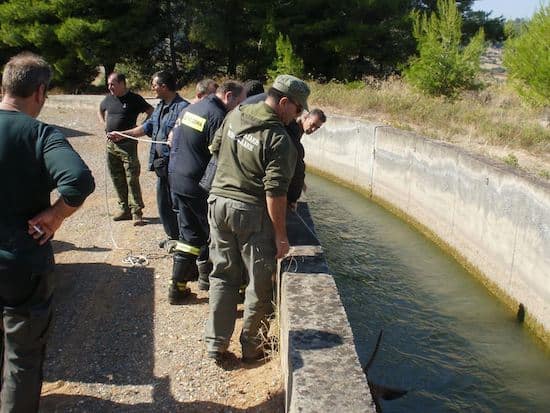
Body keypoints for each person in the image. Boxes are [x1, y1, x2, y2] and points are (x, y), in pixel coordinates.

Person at [0, 52, 95, 412]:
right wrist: (55, 216)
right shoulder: (40, 134)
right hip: (22, 263)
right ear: (40, 92)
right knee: (22, 357)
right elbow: (78, 180)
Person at [204, 74, 309, 362]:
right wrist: (281, 235)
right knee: (259, 284)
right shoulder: (279, 139)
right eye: (298, 109)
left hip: (218, 204)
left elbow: (214, 149)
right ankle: (252, 347)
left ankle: (216, 345)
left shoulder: (235, 114)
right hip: (250, 213)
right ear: (284, 103)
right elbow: (275, 194)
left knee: (223, 276)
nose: (298, 115)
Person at [167, 81, 245, 303]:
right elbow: (223, 156)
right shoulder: (217, 116)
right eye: (239, 103)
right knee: (219, 235)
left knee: (189, 236)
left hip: (177, 178)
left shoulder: (192, 108)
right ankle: (231, 290)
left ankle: (177, 288)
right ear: (228, 96)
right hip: (198, 184)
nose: (239, 108)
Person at [109, 71, 189, 242]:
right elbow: (146, 127)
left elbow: (187, 135)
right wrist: (122, 134)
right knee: (164, 204)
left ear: (163, 86)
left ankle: (183, 240)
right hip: (160, 164)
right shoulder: (160, 106)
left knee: (177, 204)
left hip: (175, 166)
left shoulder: (184, 108)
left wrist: (176, 136)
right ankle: (172, 237)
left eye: (154, 85)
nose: (152, 88)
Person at [243, 93, 327, 207]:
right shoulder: (292, 129)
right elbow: (292, 160)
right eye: (312, 124)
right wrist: (293, 195)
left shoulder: (297, 131)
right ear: (306, 117)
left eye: (317, 127)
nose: (313, 129)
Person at [98, 72, 153, 225]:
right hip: (111, 145)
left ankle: (137, 212)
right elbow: (101, 109)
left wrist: (141, 127)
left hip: (128, 144)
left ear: (122, 83)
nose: (110, 87)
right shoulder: (109, 98)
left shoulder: (135, 99)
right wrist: (104, 125)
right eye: (108, 84)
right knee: (117, 177)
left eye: (113, 84)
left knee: (132, 178)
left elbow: (152, 112)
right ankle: (124, 209)